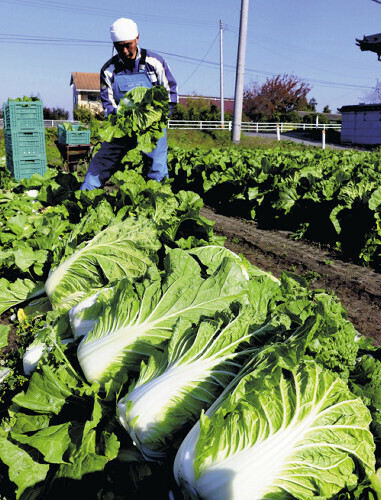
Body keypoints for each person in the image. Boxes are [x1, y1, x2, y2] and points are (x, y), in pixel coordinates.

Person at [80, 18, 178, 190]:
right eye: (119, 46)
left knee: (157, 166)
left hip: (151, 127)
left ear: (137, 39)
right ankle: (86, 197)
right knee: (101, 162)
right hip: (122, 125)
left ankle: (157, 204)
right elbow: (108, 103)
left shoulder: (155, 63)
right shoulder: (108, 70)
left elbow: (170, 95)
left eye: (128, 45)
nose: (124, 51)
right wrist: (121, 120)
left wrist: (157, 118)